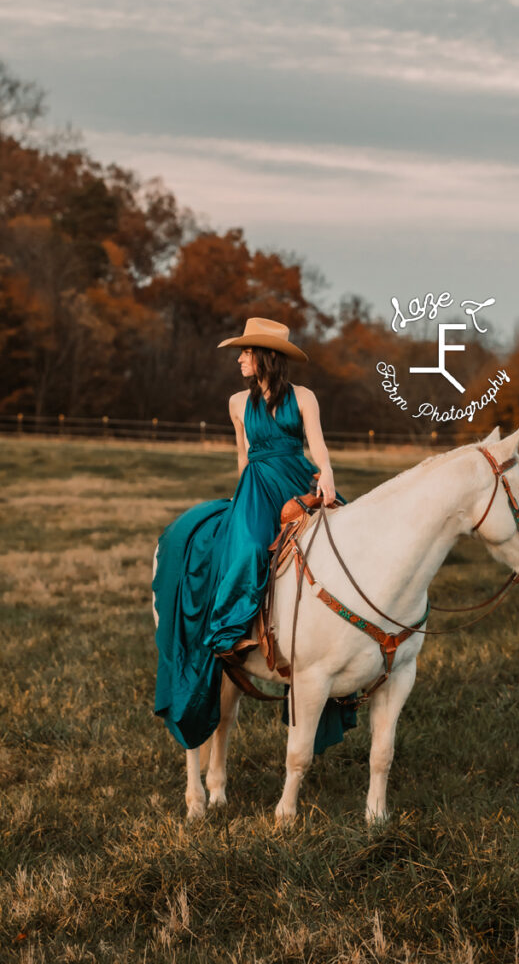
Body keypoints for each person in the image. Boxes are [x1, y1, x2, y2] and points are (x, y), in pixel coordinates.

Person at [153, 317, 355, 754]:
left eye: (246, 352)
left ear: (266, 356)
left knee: (341, 541)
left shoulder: (303, 397)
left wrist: (327, 475)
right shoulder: (236, 404)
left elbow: (317, 445)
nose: (240, 359)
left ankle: (342, 644)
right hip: (257, 486)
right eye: (240, 353)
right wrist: (240, 501)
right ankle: (234, 633)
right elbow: (243, 456)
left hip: (297, 476)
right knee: (245, 544)